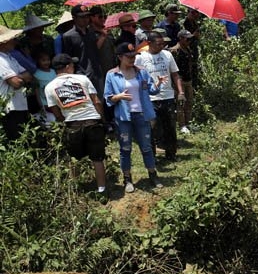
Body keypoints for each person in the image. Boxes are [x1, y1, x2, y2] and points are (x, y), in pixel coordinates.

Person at [105, 42, 165, 191]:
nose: (132, 59)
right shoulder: (112, 74)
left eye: (134, 56)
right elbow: (107, 98)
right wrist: (118, 96)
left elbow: (151, 91)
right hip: (124, 117)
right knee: (125, 148)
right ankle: (127, 179)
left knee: (146, 147)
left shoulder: (142, 72)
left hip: (142, 115)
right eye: (129, 56)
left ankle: (152, 174)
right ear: (120, 57)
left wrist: (157, 85)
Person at [45, 54, 107, 193]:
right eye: (72, 65)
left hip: (72, 125)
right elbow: (96, 101)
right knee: (97, 159)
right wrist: (103, 120)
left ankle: (77, 190)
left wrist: (65, 121)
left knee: (74, 158)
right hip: (92, 121)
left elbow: (55, 111)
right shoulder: (82, 79)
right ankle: (102, 189)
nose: (73, 67)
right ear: (67, 66)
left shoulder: (49, 87)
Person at [136, 31, 183, 162]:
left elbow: (175, 74)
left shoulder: (167, 55)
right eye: (158, 44)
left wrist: (180, 92)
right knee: (152, 128)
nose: (161, 46)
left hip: (167, 95)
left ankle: (171, 153)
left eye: (162, 44)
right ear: (149, 43)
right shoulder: (140, 58)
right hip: (150, 98)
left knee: (170, 126)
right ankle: (152, 155)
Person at [0, 25, 33, 140]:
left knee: (24, 138)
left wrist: (18, 78)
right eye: (12, 39)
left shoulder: (9, 57)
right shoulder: (0, 60)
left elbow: (29, 76)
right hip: (9, 107)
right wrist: (19, 78)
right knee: (17, 139)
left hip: (19, 104)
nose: (14, 41)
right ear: (4, 42)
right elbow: (16, 83)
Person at [62, 4, 103, 96]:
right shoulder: (68, 36)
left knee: (100, 102)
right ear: (74, 18)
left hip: (96, 73)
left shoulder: (92, 33)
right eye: (82, 17)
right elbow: (68, 58)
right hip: (80, 75)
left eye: (87, 16)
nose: (85, 19)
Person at [170, 29, 198, 134]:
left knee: (189, 102)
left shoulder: (188, 49)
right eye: (187, 39)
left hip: (188, 79)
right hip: (179, 80)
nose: (189, 41)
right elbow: (173, 70)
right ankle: (182, 125)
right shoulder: (175, 51)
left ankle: (188, 122)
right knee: (180, 103)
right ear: (180, 38)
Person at [32, 49, 57, 126]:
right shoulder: (36, 74)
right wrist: (40, 104)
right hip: (45, 102)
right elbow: (36, 91)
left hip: (55, 100)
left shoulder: (53, 71)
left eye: (48, 60)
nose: (46, 62)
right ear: (38, 61)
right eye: (43, 60)